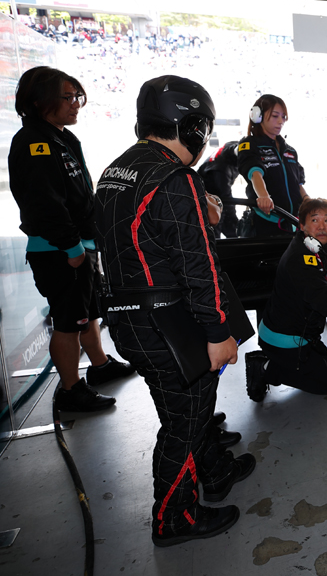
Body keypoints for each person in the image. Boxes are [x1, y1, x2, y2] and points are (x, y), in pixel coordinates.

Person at [94, 75, 255, 547]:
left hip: (129, 320)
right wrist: (218, 332)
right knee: (183, 423)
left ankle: (214, 471)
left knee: (187, 408)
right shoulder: (175, 177)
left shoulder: (118, 168)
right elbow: (198, 265)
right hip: (168, 323)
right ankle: (173, 519)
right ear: (193, 126)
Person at [8, 66, 133, 412]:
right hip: (60, 251)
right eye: (67, 97)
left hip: (78, 245)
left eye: (77, 96)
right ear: (39, 101)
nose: (75, 104)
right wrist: (71, 246)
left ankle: (100, 365)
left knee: (87, 313)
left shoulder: (60, 138)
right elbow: (44, 204)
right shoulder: (34, 142)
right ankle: (70, 389)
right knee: (68, 323)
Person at [246, 198, 327, 402]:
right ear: (302, 226)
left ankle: (285, 362)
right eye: (315, 220)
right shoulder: (300, 259)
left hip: (302, 332)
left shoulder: (319, 250)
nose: (322, 226)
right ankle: (263, 367)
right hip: (283, 338)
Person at [236, 95, 307, 236]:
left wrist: (307, 200)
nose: (281, 121)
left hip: (292, 223)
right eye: (275, 116)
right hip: (265, 223)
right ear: (258, 116)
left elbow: (297, 183)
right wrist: (263, 196)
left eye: (283, 117)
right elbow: (255, 173)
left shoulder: (290, 151)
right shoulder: (249, 144)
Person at [196, 140, 240, 238]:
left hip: (210, 190)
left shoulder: (231, 146)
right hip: (210, 197)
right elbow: (226, 196)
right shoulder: (222, 170)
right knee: (216, 229)